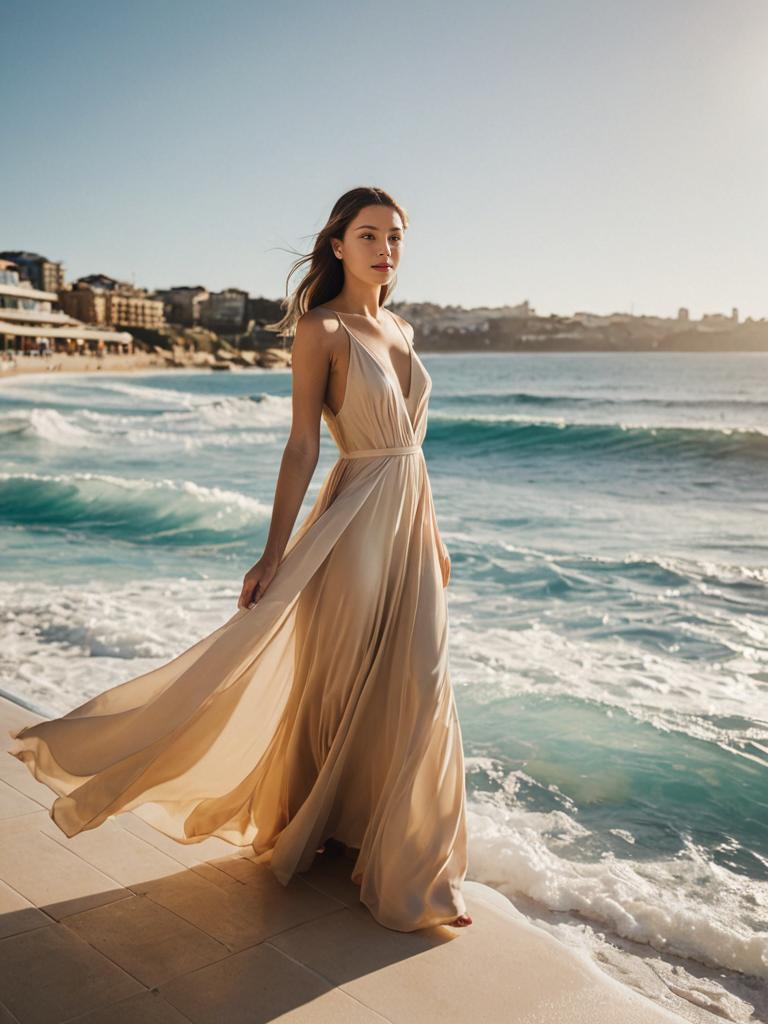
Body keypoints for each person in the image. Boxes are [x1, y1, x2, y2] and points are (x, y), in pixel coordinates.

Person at [8, 185, 472, 931]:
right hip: (354, 522)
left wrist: (436, 533)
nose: (385, 249)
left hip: (411, 522)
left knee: (417, 682)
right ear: (336, 245)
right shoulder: (320, 330)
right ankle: (327, 829)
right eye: (368, 235)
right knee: (344, 678)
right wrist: (271, 554)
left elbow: (414, 450)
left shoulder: (404, 327)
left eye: (396, 237)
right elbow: (302, 446)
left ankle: (403, 857)